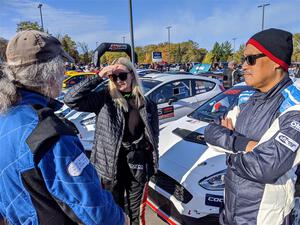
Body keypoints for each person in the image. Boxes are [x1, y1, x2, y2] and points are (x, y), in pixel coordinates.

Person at [0, 30, 126, 225]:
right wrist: (121, 219)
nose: (65, 72)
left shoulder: (6, 116)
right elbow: (95, 211)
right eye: (62, 66)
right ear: (50, 72)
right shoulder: (48, 133)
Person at [204, 28, 300, 225]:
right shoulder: (247, 97)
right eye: (243, 60)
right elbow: (211, 131)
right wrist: (246, 146)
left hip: (263, 218)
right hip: (229, 211)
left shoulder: (294, 106)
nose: (243, 66)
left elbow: (265, 167)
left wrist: (230, 152)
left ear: (275, 62)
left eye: (250, 59)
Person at [64, 57, 159, 225]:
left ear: (132, 75)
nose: (118, 80)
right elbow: (71, 99)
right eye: (113, 77)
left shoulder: (147, 104)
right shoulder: (104, 99)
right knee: (114, 212)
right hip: (110, 167)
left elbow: (153, 137)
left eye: (122, 75)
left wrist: (151, 162)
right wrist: (99, 76)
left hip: (137, 163)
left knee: (135, 213)